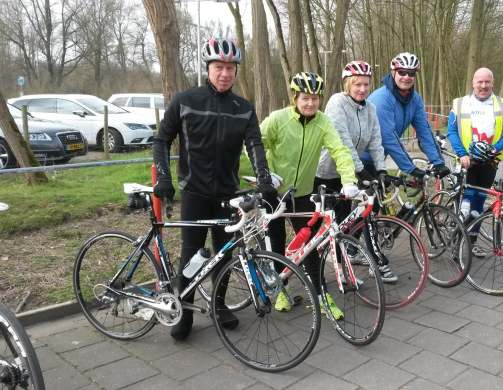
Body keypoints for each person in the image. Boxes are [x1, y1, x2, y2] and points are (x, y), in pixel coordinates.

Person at [152, 37, 277, 340]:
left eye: (230, 68)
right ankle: (183, 310)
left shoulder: (243, 108)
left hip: (227, 194)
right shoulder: (186, 101)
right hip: (194, 192)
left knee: (225, 255)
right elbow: (161, 139)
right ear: (208, 68)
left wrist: (264, 180)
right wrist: (164, 178)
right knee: (192, 254)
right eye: (218, 67)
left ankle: (220, 307)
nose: (224, 73)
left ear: (236, 71)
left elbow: (255, 146)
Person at [261, 71, 358, 319]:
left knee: (310, 246)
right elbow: (255, 143)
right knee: (277, 243)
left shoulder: (323, 122)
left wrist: (349, 180)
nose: (310, 103)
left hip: (303, 192)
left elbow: (340, 150)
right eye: (305, 97)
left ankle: (320, 294)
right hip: (274, 193)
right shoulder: (277, 119)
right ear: (295, 97)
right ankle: (279, 289)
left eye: (315, 98)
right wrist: (265, 173)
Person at [316, 60, 398, 283]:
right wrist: (362, 172)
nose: (362, 89)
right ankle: (314, 269)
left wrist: (380, 169)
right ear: (347, 84)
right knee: (323, 223)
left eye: (366, 84)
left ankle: (342, 270)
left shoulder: (369, 107)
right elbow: (342, 141)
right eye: (357, 84)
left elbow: (375, 140)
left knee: (342, 222)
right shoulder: (337, 103)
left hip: (348, 173)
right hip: (325, 171)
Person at [446, 67, 503, 256]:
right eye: (480, 82)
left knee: (479, 201)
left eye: (487, 82)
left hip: (489, 162)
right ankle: (456, 242)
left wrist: (495, 149)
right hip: (466, 162)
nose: (483, 86)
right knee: (466, 202)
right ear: (473, 83)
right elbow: (451, 132)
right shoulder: (460, 104)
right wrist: (462, 154)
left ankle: (472, 242)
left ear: (492, 83)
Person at [367, 52, 450, 179]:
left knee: (376, 198)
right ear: (393, 72)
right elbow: (388, 137)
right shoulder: (381, 99)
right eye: (402, 72)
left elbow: (424, 131)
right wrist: (410, 168)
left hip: (378, 159)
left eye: (411, 73)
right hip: (360, 159)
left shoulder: (415, 99)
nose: (406, 77)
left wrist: (438, 162)